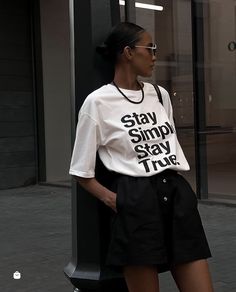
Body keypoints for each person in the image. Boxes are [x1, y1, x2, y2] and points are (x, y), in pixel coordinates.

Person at [69, 22, 214, 292]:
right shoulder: (98, 103)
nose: (155, 56)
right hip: (135, 199)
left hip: (175, 194)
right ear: (127, 52)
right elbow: (81, 171)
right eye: (150, 49)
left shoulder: (159, 95)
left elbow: (167, 143)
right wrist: (116, 201)